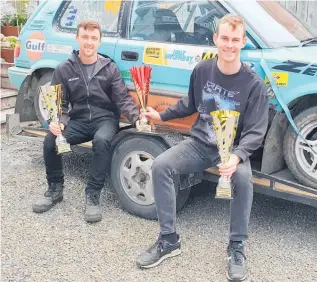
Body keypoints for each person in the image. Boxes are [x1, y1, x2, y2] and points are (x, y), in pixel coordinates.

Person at [136, 14, 269, 281]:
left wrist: (237, 157)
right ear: (215, 39)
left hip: (233, 152)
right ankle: (168, 239)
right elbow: (190, 103)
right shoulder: (202, 70)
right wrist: (160, 116)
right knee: (161, 165)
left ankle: (236, 246)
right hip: (200, 144)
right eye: (224, 39)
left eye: (235, 40)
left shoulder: (253, 84)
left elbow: (256, 130)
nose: (229, 45)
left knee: (243, 182)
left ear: (243, 42)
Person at [32, 20, 139, 223]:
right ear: (77, 38)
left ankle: (93, 195)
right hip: (78, 120)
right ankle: (55, 189)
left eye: (93, 38)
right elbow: (59, 102)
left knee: (102, 141)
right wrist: (59, 121)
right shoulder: (65, 69)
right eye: (85, 37)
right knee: (51, 141)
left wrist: (136, 117)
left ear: (99, 42)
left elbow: (122, 98)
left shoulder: (109, 68)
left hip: (105, 120)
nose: (89, 42)